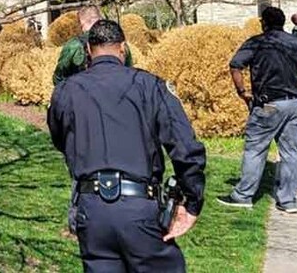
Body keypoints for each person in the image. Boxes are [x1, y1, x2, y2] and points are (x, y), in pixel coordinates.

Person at [48, 20, 207, 272]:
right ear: (123, 48)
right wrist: (192, 201)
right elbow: (185, 147)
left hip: (92, 209)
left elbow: (60, 139)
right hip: (139, 208)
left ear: (89, 50)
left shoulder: (66, 91)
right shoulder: (150, 86)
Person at [218, 6, 297, 213]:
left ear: (264, 23)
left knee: (255, 149)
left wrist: (242, 92)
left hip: (269, 104)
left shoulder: (257, 42)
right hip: (296, 103)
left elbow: (235, 66)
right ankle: (287, 200)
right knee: (290, 151)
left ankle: (243, 195)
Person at [53, 6, 104, 84]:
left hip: (81, 89)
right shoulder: (116, 40)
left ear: (81, 22)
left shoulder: (74, 45)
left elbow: (58, 77)